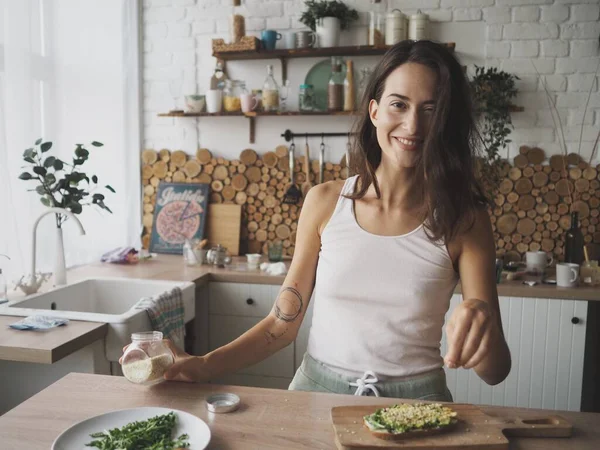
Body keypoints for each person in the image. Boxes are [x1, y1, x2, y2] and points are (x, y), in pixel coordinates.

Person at [122, 40, 511, 400]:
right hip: (314, 394)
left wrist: (483, 330)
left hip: (419, 404)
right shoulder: (325, 202)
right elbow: (281, 325)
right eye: (399, 105)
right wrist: (202, 366)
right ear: (374, 111)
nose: (413, 126)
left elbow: (496, 372)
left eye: (431, 110)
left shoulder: (464, 218)